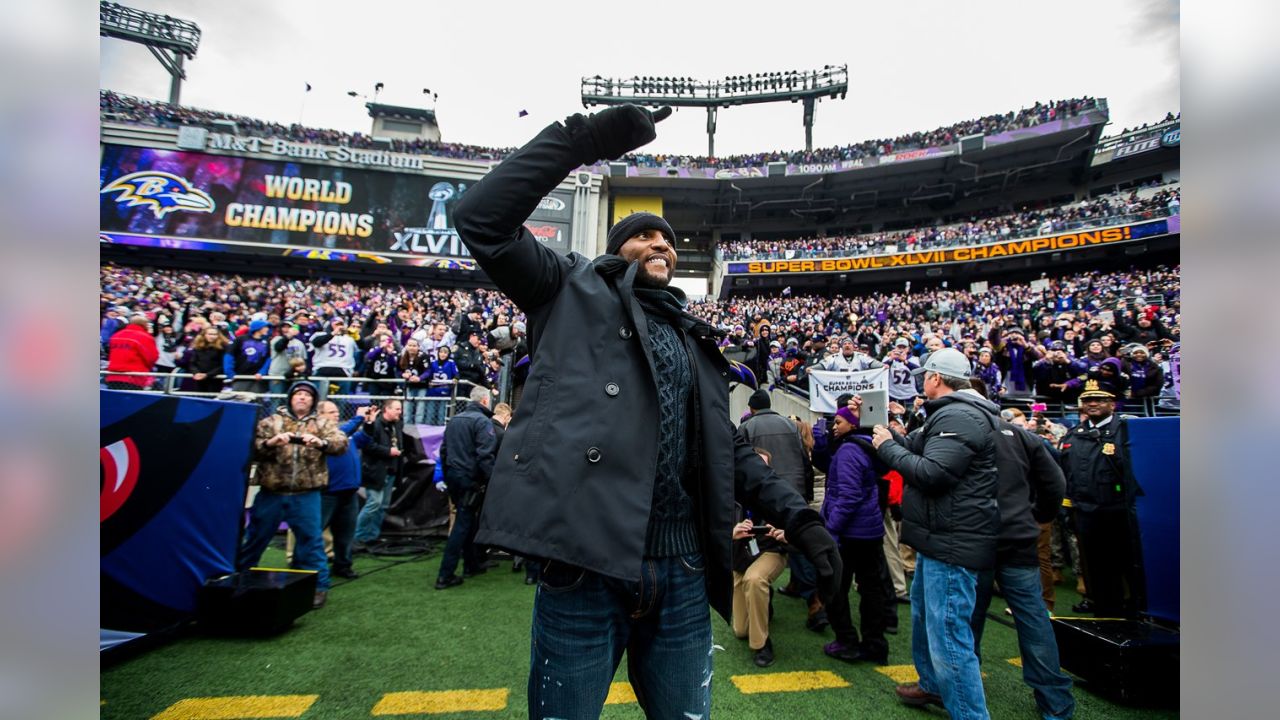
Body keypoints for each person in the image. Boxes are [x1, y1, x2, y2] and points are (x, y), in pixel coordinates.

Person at [453, 103, 841, 718]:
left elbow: (724, 449)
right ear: (615, 249)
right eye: (643, 234)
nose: (661, 243)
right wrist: (583, 140)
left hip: (683, 567)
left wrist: (800, 518)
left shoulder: (695, 338)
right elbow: (478, 218)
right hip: (583, 563)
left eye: (667, 239)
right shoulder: (566, 288)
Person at [869, 347, 1000, 718]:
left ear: (936, 378)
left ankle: (970, 713)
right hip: (938, 537)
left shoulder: (959, 415)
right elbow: (918, 448)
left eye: (925, 375)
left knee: (948, 636)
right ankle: (933, 685)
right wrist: (893, 434)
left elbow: (931, 473)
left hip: (951, 540)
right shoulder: (953, 414)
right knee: (927, 622)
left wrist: (887, 448)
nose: (922, 381)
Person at [970, 408, 1076, 720]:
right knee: (1033, 619)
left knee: (970, 617)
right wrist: (1037, 515)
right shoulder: (1021, 435)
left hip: (978, 537)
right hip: (1017, 536)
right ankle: (1055, 699)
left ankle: (966, 684)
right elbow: (1055, 482)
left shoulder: (962, 430)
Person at [237, 381, 347, 609]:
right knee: (255, 538)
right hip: (272, 492)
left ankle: (319, 587)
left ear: (313, 401)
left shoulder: (322, 423)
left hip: (306, 493)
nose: (302, 398)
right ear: (290, 398)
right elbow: (252, 448)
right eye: (298, 394)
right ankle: (239, 580)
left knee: (311, 542)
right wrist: (271, 442)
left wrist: (321, 443)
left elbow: (340, 443)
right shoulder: (271, 422)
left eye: (307, 395)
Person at [1059, 380, 1143, 618]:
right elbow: (1067, 475)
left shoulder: (1126, 431)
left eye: (1099, 399)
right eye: (1087, 400)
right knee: (1094, 565)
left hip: (1118, 511)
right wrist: (1067, 508)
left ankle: (1134, 609)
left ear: (1112, 404)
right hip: (1085, 511)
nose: (1092, 404)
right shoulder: (1074, 435)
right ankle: (1103, 608)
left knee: (1127, 565)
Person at [821, 406, 891, 666]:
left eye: (838, 421)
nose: (833, 426)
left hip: (850, 533)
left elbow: (848, 496)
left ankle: (847, 642)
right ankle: (875, 644)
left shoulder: (849, 450)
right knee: (871, 588)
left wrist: (832, 528)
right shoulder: (867, 446)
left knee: (834, 588)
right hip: (869, 531)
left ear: (853, 423)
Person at [435, 386, 498, 590]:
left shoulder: (455, 420)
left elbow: (443, 451)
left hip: (454, 476)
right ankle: (445, 574)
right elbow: (485, 456)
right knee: (463, 524)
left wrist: (448, 474)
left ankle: (471, 565)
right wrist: (493, 481)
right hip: (470, 479)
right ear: (485, 402)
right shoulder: (482, 422)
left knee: (467, 521)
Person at [316, 400, 371, 580]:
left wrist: (369, 423)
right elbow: (340, 434)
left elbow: (365, 439)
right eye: (331, 412)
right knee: (316, 532)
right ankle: (311, 567)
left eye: (337, 412)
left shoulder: (347, 434)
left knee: (345, 534)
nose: (336, 415)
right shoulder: (321, 433)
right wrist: (358, 418)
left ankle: (343, 565)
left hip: (349, 491)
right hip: (328, 492)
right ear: (320, 415)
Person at [352, 399, 404, 548]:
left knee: (383, 505)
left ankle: (372, 536)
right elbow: (367, 446)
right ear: (386, 410)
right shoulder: (374, 424)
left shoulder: (397, 424)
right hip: (375, 470)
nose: (399, 412)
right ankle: (357, 536)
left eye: (400, 409)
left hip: (391, 469)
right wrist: (388, 451)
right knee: (374, 503)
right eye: (397, 409)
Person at [310, 316, 359, 405]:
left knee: (340, 401)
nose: (339, 326)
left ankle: (338, 417)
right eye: (336, 324)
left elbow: (360, 349)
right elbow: (316, 343)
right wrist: (332, 333)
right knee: (319, 400)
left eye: (341, 324)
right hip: (322, 368)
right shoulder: (320, 334)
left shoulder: (349, 338)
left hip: (343, 370)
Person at [105, 314, 159, 390]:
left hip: (113, 376)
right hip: (133, 377)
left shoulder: (116, 335)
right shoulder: (145, 337)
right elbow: (152, 357)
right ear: (144, 325)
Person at [224, 319, 271, 395]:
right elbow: (229, 354)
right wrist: (229, 372)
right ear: (258, 328)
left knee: (256, 401)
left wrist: (262, 372)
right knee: (238, 399)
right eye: (265, 327)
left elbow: (268, 359)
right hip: (240, 376)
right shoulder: (241, 339)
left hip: (257, 378)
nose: (267, 329)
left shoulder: (267, 342)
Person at [399, 338, 432, 425]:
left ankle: (418, 428)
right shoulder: (403, 356)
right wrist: (402, 374)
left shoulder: (423, 356)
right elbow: (398, 369)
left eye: (414, 346)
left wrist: (419, 378)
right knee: (407, 409)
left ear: (418, 347)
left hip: (421, 386)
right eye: (410, 345)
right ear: (406, 346)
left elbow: (428, 371)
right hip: (409, 386)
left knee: (420, 409)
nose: (412, 348)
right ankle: (407, 428)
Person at [187, 325, 228, 394]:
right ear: (204, 335)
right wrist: (196, 372)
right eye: (210, 334)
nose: (212, 336)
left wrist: (208, 375)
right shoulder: (198, 347)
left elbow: (223, 364)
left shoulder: (223, 347)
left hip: (215, 379)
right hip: (199, 379)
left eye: (215, 334)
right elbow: (192, 362)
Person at [425, 345, 459, 425]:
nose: (442, 354)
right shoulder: (433, 363)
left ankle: (439, 433)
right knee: (430, 413)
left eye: (445, 352)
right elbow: (428, 374)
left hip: (444, 391)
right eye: (441, 352)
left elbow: (456, 374)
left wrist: (455, 379)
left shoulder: (451, 363)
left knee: (441, 414)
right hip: (433, 391)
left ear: (448, 354)